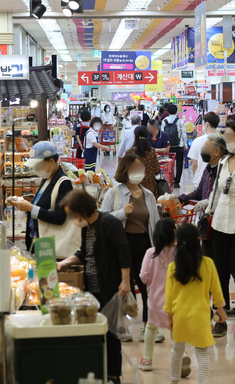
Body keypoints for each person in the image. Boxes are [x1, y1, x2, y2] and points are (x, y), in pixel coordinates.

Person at [57, 190, 132, 384]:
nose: (72, 219)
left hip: (109, 286)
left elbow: (123, 252)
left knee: (111, 332)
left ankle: (114, 375)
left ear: (83, 211)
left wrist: (125, 280)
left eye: (73, 214)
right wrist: (63, 263)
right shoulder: (86, 227)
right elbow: (84, 253)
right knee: (95, 330)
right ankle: (99, 370)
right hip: (91, 289)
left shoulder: (109, 223)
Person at [101, 153, 161, 342]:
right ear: (125, 171)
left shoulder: (149, 194)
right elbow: (103, 219)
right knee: (123, 286)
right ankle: (122, 327)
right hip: (122, 245)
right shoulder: (114, 193)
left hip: (144, 245)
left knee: (147, 287)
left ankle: (147, 328)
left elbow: (155, 224)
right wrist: (121, 213)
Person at [204, 122, 235, 338]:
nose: (227, 141)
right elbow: (215, 190)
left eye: (230, 137)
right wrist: (209, 208)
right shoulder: (223, 162)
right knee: (219, 271)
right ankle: (219, 318)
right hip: (220, 220)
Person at [164, 223, 227, 384]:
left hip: (180, 316)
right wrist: (220, 308)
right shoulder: (208, 263)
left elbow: (169, 297)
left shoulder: (173, 267)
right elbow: (216, 290)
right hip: (201, 316)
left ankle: (174, 379)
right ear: (198, 240)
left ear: (176, 241)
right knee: (202, 352)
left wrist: (169, 316)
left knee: (177, 351)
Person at [139, 218, 191, 376]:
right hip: (176, 300)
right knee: (176, 330)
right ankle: (182, 355)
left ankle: (147, 359)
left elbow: (143, 276)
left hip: (155, 301)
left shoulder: (150, 253)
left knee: (151, 328)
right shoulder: (179, 253)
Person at [11, 141, 76, 256]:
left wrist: (31, 208)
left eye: (38, 165)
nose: (36, 169)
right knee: (39, 274)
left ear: (51, 161)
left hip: (51, 243)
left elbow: (60, 217)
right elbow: (41, 205)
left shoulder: (64, 183)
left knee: (48, 274)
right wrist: (25, 205)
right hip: (38, 241)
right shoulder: (45, 180)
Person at [125, 126, 161, 198]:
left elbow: (124, 171)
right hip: (150, 185)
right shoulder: (152, 152)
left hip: (134, 186)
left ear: (135, 137)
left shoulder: (129, 153)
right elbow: (157, 170)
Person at [188, 112, 219, 188]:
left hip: (200, 181)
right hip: (218, 182)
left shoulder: (198, 141)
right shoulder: (222, 141)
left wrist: (196, 180)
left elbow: (194, 165)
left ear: (207, 124)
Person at [162, 104, 188, 189]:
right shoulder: (180, 121)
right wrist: (185, 145)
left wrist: (163, 146)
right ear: (176, 111)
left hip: (168, 146)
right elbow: (184, 133)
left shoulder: (164, 120)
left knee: (168, 164)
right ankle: (177, 182)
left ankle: (169, 180)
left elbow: (162, 134)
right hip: (178, 145)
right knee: (179, 164)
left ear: (168, 111)